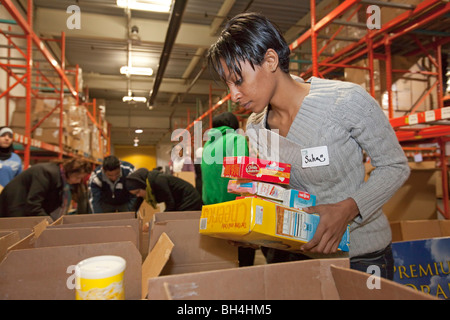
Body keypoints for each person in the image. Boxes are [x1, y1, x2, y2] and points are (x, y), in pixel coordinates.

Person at [207, 12, 410, 279]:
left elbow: (394, 166)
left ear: (270, 60)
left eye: (239, 80)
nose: (233, 95)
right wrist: (252, 225)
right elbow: (277, 191)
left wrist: (348, 209)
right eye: (228, 84)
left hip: (362, 258)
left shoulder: (345, 101)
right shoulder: (256, 128)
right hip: (301, 257)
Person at [201, 112, 254, 267]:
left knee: (223, 256)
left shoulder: (207, 145)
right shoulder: (236, 139)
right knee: (243, 256)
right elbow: (242, 170)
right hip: (233, 206)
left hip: (211, 206)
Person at [0, 158, 91, 221]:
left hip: (22, 207)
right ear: (70, 171)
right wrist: (48, 223)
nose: (78, 181)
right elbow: (33, 203)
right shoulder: (47, 173)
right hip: (14, 206)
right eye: (77, 177)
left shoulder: (59, 176)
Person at [125, 167, 202, 212]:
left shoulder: (158, 181)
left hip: (190, 198)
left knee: (179, 222)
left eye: (138, 192)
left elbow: (170, 204)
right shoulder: (147, 186)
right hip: (179, 200)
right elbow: (136, 204)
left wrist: (158, 220)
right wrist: (132, 217)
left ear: (143, 186)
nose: (138, 195)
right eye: (135, 194)